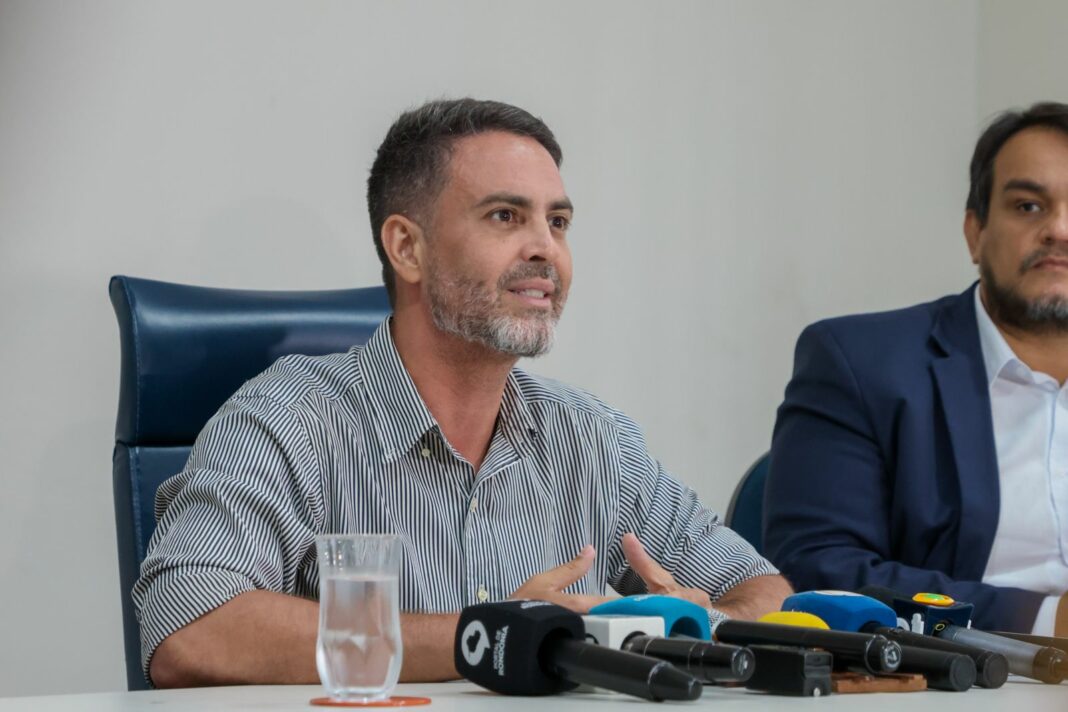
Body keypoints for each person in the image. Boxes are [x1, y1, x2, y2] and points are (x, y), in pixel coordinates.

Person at [136, 98, 791, 688]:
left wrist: (703, 620)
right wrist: (495, 636)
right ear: (407, 248)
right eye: (506, 216)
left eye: (558, 221)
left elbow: (766, 590)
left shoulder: (595, 437)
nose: (546, 250)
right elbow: (188, 628)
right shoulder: (288, 419)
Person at [765, 101, 1068, 635]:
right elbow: (817, 568)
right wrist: (1048, 619)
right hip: (961, 668)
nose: (1059, 229)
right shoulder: (860, 363)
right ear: (975, 232)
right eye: (1028, 206)